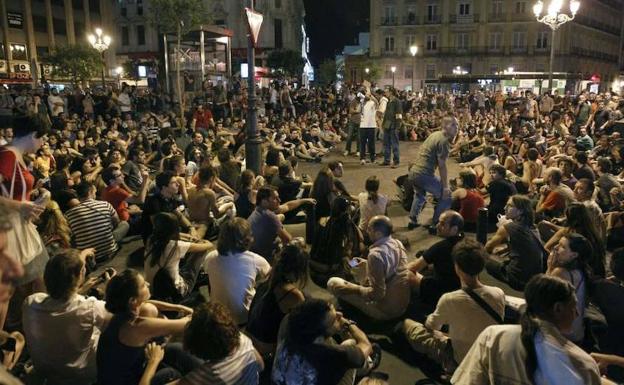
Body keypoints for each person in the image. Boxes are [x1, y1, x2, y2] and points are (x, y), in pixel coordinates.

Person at [451, 274, 602, 385]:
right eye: (573, 306)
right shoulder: (583, 364)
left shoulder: (494, 336)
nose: (576, 313)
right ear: (558, 308)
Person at [400, 239, 505, 373]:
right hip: (488, 355)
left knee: (409, 325)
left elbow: (432, 326)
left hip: (462, 358)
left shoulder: (450, 299)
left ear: (457, 267)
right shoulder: (498, 293)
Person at [22, 249, 112, 385]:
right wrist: (111, 289)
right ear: (81, 274)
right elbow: (118, 318)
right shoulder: (91, 307)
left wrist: (80, 290)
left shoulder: (30, 303)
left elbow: (60, 304)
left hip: (48, 375)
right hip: (82, 377)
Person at [96, 269, 196, 385]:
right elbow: (184, 324)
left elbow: (148, 303)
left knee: (174, 348)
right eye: (143, 285)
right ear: (132, 300)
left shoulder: (119, 314)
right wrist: (154, 360)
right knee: (171, 373)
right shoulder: (136, 326)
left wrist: (179, 307)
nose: (148, 284)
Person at [0, 115, 49, 329]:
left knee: (36, 277)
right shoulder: (8, 155)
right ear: (32, 135)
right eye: (41, 139)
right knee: (7, 290)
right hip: (9, 228)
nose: (42, 144)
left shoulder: (16, 155)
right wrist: (21, 207)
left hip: (20, 225)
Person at [272, 299, 374, 385]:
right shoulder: (329, 355)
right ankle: (368, 364)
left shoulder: (288, 322)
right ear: (318, 339)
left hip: (283, 378)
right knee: (351, 344)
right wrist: (349, 324)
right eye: (334, 319)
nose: (340, 314)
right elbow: (366, 345)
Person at [328, 216, 410, 320]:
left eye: (369, 229)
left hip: (386, 311)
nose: (367, 231)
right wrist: (367, 263)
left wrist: (354, 288)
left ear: (378, 234)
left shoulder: (375, 255)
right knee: (356, 263)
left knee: (332, 283)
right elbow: (390, 268)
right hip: (401, 304)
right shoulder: (397, 243)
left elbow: (378, 294)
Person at [169, 303, 264, 385]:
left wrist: (154, 361)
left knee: (168, 373)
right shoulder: (243, 340)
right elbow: (261, 366)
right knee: (175, 349)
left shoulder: (211, 374)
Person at [203, 218, 271, 325]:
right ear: (247, 239)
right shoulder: (256, 260)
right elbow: (271, 279)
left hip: (217, 316)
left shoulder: (210, 257)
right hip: (243, 317)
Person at [246, 243, 308, 355]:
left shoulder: (267, 281)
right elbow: (304, 323)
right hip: (266, 348)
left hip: (249, 339)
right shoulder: (292, 294)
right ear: (299, 270)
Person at [143, 213, 215, 299]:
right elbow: (209, 245)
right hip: (175, 292)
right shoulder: (176, 246)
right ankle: (195, 276)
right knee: (200, 251)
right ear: (175, 229)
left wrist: (186, 237)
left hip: (153, 288)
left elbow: (169, 236)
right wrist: (199, 240)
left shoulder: (150, 240)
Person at [407, 116, 458, 232]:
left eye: (457, 125)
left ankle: (412, 220)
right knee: (447, 196)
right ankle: (435, 224)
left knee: (420, 195)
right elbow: (442, 166)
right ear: (444, 126)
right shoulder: (444, 141)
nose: (457, 128)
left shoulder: (434, 135)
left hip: (414, 172)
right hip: (423, 174)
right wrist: (445, 187)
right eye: (453, 125)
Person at [485, 195, 544, 291]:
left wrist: (488, 254)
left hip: (517, 280)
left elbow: (488, 247)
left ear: (521, 211)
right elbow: (523, 246)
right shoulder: (533, 227)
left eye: (510, 206)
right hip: (533, 279)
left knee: (480, 257)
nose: (505, 208)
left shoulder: (508, 227)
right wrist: (503, 250)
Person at [407, 210, 464, 306]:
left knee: (407, 274)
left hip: (442, 294)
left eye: (442, 224)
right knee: (428, 268)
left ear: (454, 229)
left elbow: (413, 267)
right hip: (461, 288)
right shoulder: (466, 242)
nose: (437, 225)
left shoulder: (441, 247)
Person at [545, 234, 593, 345]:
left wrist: (549, 268)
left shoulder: (561, 272)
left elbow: (542, 296)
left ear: (574, 255)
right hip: (577, 332)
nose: (556, 247)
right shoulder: (581, 269)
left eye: (562, 246)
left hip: (565, 336)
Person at [65, 181, 129, 263]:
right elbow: (116, 222)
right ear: (90, 192)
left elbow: (70, 235)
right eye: (94, 192)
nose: (95, 194)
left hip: (88, 255)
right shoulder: (105, 204)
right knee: (124, 224)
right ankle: (110, 243)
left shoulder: (68, 214)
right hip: (109, 251)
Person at [248, 186, 293, 262]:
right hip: (266, 257)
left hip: (253, 254)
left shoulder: (257, 210)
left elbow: (287, 206)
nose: (279, 200)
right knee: (298, 242)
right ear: (264, 201)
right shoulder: (270, 216)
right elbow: (287, 239)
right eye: (275, 198)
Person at [380, 88, 402, 168]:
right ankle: (387, 160)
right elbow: (386, 114)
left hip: (393, 125)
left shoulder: (397, 101)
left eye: (386, 91)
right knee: (386, 143)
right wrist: (383, 124)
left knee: (394, 144)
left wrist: (397, 126)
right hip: (387, 124)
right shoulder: (389, 101)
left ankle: (396, 161)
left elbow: (399, 114)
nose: (385, 92)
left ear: (391, 92)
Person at [359, 91, 378, 165]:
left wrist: (371, 96)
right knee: (362, 143)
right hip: (363, 125)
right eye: (365, 94)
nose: (366, 96)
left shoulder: (372, 103)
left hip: (371, 125)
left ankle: (372, 159)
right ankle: (362, 158)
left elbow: (377, 103)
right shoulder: (362, 103)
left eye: (367, 95)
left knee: (371, 143)